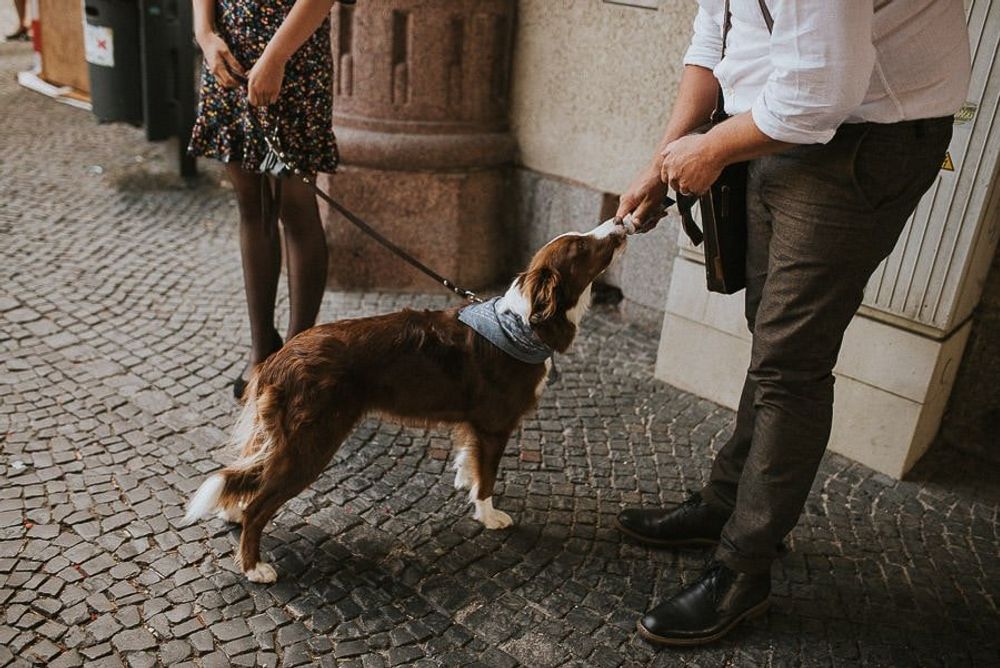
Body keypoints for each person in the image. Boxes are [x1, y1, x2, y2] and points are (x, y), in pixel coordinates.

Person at [614, 0, 970, 646]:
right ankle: (729, 499)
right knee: (771, 331)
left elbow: (820, 94)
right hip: (778, 121)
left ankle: (743, 567)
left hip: (864, 132)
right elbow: (714, 35)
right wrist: (663, 160)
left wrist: (714, 148)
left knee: (791, 361)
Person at [189, 0, 352, 399]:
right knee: (253, 206)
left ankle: (300, 356)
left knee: (296, 207)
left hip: (292, 59)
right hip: (228, 59)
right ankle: (262, 346)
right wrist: (206, 36)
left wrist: (276, 56)